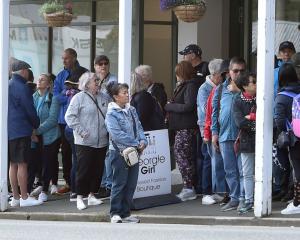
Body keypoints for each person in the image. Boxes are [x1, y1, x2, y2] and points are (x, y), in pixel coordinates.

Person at [65, 72, 108, 210]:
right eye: (95, 80)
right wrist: (82, 131)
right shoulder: (79, 98)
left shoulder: (104, 97)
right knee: (83, 170)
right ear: (86, 83)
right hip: (84, 142)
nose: (98, 82)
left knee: (97, 169)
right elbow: (70, 117)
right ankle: (79, 197)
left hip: (101, 141)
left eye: (98, 80)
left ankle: (91, 195)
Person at [105, 82, 147, 223]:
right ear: (116, 96)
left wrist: (143, 141)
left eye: (127, 92)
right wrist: (136, 143)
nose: (127, 94)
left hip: (134, 152)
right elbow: (117, 135)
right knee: (119, 183)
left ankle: (125, 213)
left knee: (131, 184)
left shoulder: (132, 110)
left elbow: (139, 127)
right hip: (119, 153)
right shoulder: (111, 114)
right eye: (124, 92)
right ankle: (115, 213)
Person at [211, 57, 246, 212]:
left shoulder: (248, 88)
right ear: (229, 72)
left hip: (242, 135)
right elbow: (214, 112)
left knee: (243, 170)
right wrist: (214, 133)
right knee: (230, 170)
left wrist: (240, 90)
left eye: (241, 71)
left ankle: (244, 199)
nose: (238, 74)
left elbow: (255, 102)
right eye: (235, 71)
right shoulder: (220, 88)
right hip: (225, 135)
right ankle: (234, 198)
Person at [8, 59, 42, 207]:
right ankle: (24, 197)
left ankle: (15, 197)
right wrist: (36, 124)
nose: (28, 72)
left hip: (9, 130)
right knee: (22, 164)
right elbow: (30, 109)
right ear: (23, 71)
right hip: (21, 129)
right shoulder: (22, 87)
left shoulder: (7, 84)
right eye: (27, 70)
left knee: (13, 164)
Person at [53, 48, 87, 195]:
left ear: (74, 57)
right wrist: (68, 94)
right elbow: (56, 97)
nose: (64, 61)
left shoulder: (84, 73)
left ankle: (80, 183)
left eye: (66, 58)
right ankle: (68, 182)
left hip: (81, 120)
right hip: (64, 120)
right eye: (63, 58)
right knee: (66, 153)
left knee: (80, 153)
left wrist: (71, 94)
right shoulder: (61, 75)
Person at [165, 60, 198, 202]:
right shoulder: (185, 85)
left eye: (178, 73)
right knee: (183, 157)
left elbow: (188, 106)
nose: (176, 76)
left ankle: (189, 187)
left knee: (182, 157)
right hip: (181, 127)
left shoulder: (190, 86)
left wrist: (170, 106)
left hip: (186, 127)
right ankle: (188, 186)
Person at [30, 74, 61, 202]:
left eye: (42, 79)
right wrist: (33, 133)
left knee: (48, 162)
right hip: (36, 136)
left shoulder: (53, 98)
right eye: (38, 79)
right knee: (38, 162)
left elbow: (53, 120)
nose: (39, 80)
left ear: (48, 84)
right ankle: (40, 184)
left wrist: (36, 131)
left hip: (51, 136)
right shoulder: (33, 97)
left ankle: (44, 191)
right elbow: (30, 115)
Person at [274, 63, 300, 214]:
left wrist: (285, 131)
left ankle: (297, 203)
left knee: (297, 170)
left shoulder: (282, 97)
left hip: (295, 138)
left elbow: (279, 119)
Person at [197, 58, 224, 205]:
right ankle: (206, 192)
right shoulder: (204, 89)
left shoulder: (218, 87)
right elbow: (206, 111)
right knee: (208, 159)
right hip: (206, 128)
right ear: (216, 74)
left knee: (215, 160)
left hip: (215, 127)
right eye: (222, 74)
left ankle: (216, 190)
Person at [273, 42, 296, 202]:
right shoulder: (273, 71)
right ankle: (282, 188)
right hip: (281, 120)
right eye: (283, 51)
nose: (286, 54)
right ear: (279, 54)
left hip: (290, 122)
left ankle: (292, 190)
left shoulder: (296, 69)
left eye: (289, 52)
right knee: (280, 157)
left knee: (293, 159)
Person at [233, 72, 257, 214]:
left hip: (262, 140)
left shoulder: (261, 97)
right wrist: (255, 124)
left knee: (263, 171)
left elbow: (267, 117)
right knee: (247, 172)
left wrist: (252, 116)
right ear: (244, 86)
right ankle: (249, 200)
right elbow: (240, 122)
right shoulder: (237, 101)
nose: (256, 84)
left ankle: (263, 197)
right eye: (253, 82)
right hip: (246, 141)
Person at [94, 55, 117, 199]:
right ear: (95, 66)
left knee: (108, 154)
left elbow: (113, 99)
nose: (103, 66)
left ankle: (108, 185)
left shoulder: (113, 80)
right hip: (95, 122)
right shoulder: (92, 79)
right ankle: (101, 183)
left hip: (109, 120)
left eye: (105, 63)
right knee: (99, 155)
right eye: (100, 64)